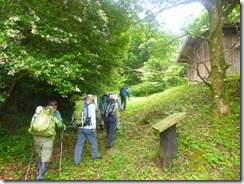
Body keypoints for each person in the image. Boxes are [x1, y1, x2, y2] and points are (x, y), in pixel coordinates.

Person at [30, 100, 65, 180]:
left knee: (39, 151)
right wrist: (63, 125)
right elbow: (59, 125)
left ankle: (39, 168)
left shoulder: (41, 110)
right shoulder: (55, 112)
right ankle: (40, 176)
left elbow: (33, 121)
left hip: (36, 135)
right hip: (47, 137)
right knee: (45, 154)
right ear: (55, 106)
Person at [74, 94, 101, 166]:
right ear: (90, 99)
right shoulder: (92, 106)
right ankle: (95, 156)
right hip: (89, 128)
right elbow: (93, 117)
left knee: (79, 144)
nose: (93, 100)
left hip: (80, 127)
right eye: (92, 98)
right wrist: (94, 127)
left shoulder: (81, 105)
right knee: (93, 141)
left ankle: (76, 161)